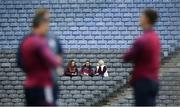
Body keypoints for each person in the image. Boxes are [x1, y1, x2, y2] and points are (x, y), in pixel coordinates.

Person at [17, 8, 61, 106]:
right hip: (43, 85)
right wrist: (56, 60)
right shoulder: (39, 42)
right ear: (41, 23)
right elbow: (54, 61)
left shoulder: (25, 41)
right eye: (47, 23)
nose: (48, 27)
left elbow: (20, 62)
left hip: (29, 85)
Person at [123, 9, 160, 106]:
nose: (140, 18)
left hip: (143, 81)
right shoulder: (156, 38)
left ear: (146, 19)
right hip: (154, 81)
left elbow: (127, 56)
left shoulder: (142, 39)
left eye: (141, 16)